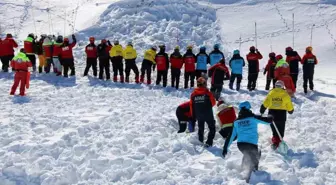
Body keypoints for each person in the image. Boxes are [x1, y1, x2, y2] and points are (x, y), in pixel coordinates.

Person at [223, 101, 273, 183]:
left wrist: (225, 148)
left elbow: (230, 137)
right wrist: (271, 117)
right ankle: (251, 179)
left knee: (247, 154)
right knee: (254, 160)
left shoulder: (236, 122)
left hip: (241, 145)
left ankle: (243, 171)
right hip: (252, 144)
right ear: (248, 108)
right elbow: (267, 121)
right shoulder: (253, 117)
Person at [260, 80, 294, 149]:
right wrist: (291, 110)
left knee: (274, 131)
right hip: (281, 115)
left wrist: (262, 109)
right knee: (280, 131)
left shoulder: (271, 93)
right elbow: (289, 105)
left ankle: (275, 142)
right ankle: (278, 143)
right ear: (282, 86)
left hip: (272, 114)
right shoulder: (285, 94)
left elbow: (266, 102)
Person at [190, 77, 216, 147]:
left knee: (200, 129)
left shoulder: (193, 94)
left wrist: (193, 116)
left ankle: (200, 142)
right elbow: (213, 103)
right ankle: (209, 142)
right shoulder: (208, 93)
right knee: (212, 128)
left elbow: (191, 106)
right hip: (208, 114)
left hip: (199, 115)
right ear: (205, 84)